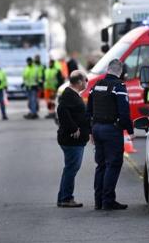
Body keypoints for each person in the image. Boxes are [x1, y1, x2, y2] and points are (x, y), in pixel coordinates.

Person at [86, 58, 134, 211]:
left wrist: (90, 131)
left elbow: (89, 111)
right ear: (120, 72)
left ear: (108, 70)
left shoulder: (96, 85)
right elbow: (124, 112)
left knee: (101, 165)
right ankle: (108, 201)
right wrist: (130, 130)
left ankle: (98, 201)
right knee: (113, 164)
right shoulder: (118, 86)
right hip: (111, 130)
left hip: (97, 129)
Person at [56, 70, 90, 207]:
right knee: (71, 168)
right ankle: (66, 198)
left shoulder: (72, 94)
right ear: (80, 82)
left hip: (74, 140)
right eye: (86, 79)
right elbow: (61, 110)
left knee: (69, 168)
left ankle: (63, 197)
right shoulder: (69, 94)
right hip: (72, 140)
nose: (87, 82)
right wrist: (73, 128)